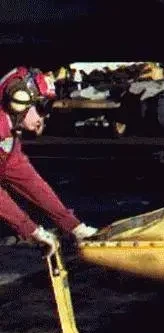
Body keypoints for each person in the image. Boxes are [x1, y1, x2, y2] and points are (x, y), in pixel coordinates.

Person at [0, 66, 97, 256]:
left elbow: (29, 182)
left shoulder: (8, 134)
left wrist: (75, 227)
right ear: (21, 101)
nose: (45, 116)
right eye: (43, 108)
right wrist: (32, 232)